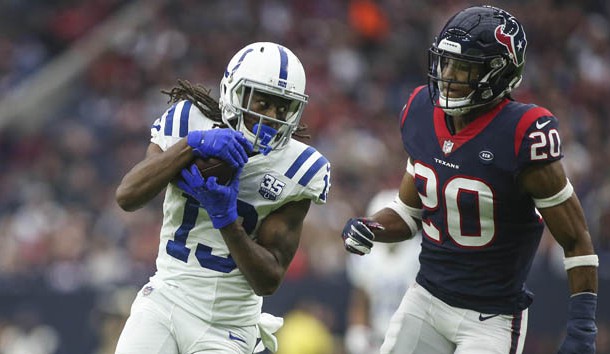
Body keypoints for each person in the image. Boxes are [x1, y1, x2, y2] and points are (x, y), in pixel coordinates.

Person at [341, 5, 598, 354]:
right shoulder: (420, 111)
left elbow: (576, 240)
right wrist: (370, 226)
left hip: (491, 319)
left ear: (499, 73)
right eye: (445, 63)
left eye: (463, 67)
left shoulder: (523, 134)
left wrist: (582, 328)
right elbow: (407, 212)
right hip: (426, 300)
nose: (448, 74)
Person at [114, 41, 331, 354]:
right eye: (263, 102)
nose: (272, 116)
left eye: (282, 107)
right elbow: (128, 195)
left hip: (227, 324)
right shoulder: (190, 120)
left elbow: (268, 279)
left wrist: (227, 220)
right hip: (166, 296)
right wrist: (191, 144)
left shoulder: (300, 168)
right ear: (234, 91)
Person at [344, 189, 421, 354]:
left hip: (415, 337)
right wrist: (359, 330)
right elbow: (361, 298)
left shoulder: (419, 253)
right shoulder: (366, 257)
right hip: (378, 337)